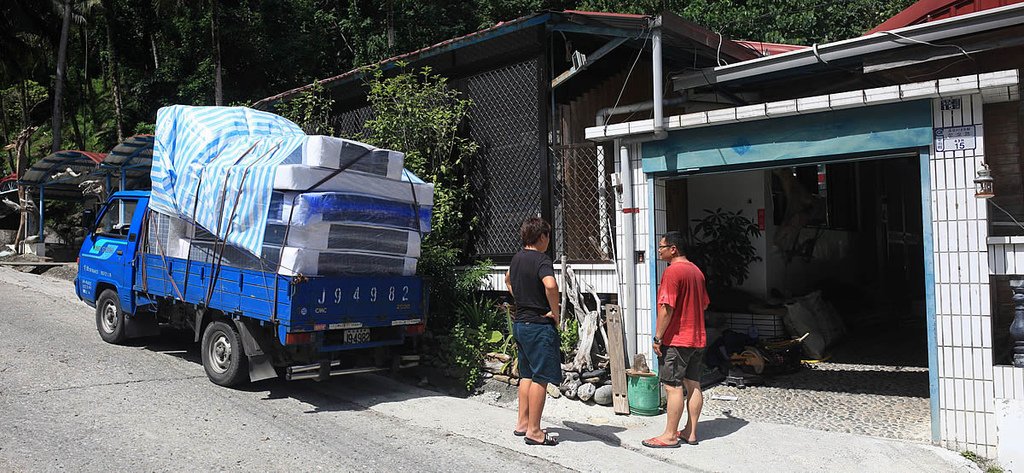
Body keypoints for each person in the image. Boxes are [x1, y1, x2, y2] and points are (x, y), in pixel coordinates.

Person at [643, 231, 710, 449]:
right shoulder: (697, 272)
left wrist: (658, 337)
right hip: (698, 338)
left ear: (674, 249)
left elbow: (666, 308)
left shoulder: (673, 272)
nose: (659, 251)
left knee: (672, 387)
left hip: (678, 339)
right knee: (694, 384)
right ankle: (690, 431)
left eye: (661, 247)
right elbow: (705, 304)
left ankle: (670, 435)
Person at [504, 217, 561, 446]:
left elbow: (507, 279)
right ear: (542, 237)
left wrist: (521, 299)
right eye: (548, 236)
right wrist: (554, 312)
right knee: (540, 378)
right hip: (538, 325)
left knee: (526, 375)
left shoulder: (517, 258)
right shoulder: (541, 259)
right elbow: (551, 285)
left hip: (520, 324)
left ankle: (522, 423)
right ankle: (535, 432)